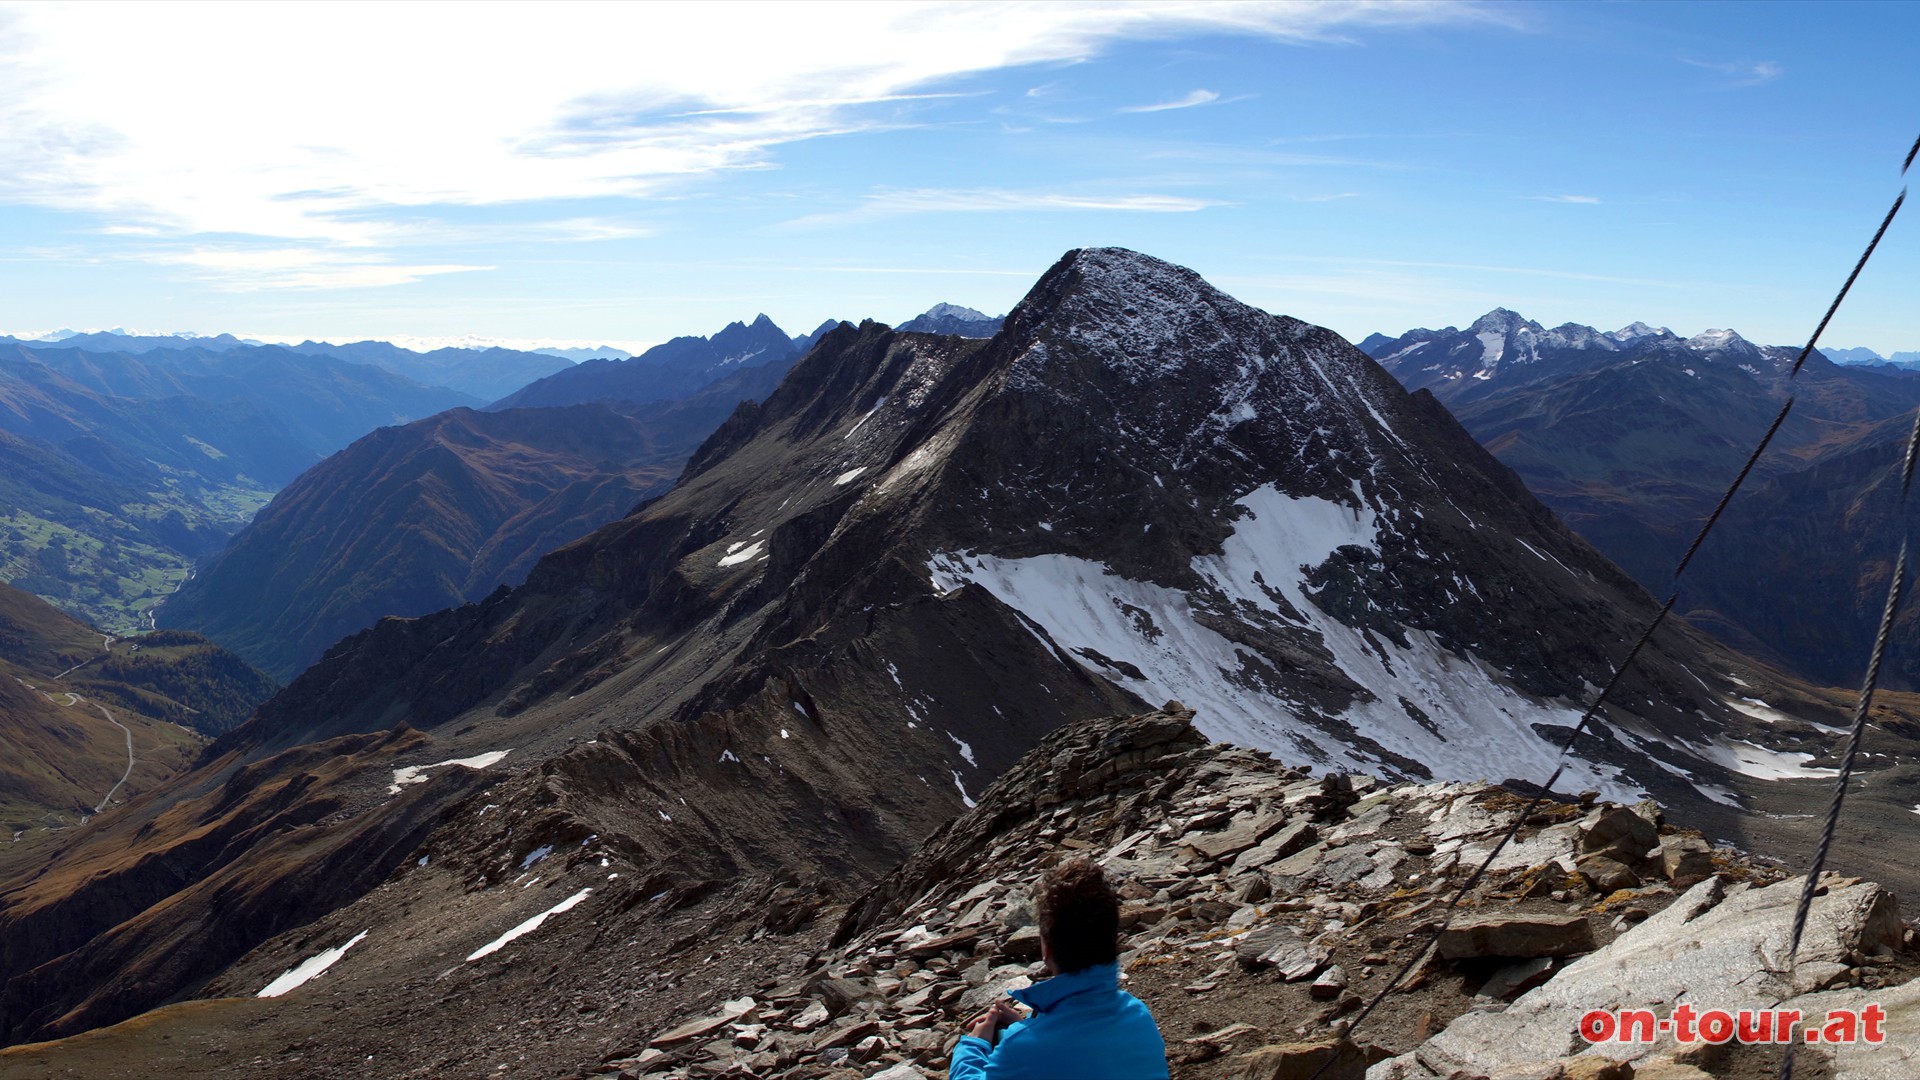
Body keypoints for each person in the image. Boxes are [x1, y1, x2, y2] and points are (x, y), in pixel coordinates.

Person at [949, 856, 1170, 1080]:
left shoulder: (1021, 1048)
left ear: (1047, 950)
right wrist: (1028, 1026)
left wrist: (974, 1044)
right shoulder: (1137, 1013)